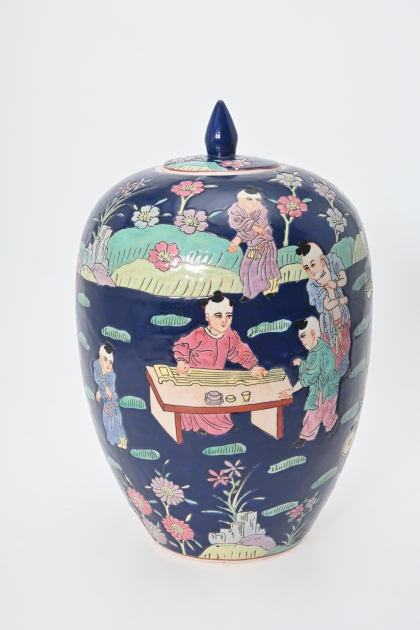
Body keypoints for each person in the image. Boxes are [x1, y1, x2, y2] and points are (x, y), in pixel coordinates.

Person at [173, 290, 266, 436]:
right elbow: (182, 345)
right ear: (207, 316)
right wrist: (181, 361)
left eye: (228, 316)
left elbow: (240, 351)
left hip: (216, 378)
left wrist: (253, 367)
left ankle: (221, 425)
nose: (224, 321)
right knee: (199, 402)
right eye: (218, 315)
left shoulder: (229, 335)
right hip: (195, 378)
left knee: (218, 400)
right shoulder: (199, 334)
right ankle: (198, 426)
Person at [279, 317, 340, 448]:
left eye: (303, 336)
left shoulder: (315, 353)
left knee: (314, 414)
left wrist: (292, 390)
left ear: (312, 333)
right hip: (332, 387)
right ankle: (331, 423)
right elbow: (316, 366)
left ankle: (306, 436)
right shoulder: (322, 346)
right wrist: (303, 363)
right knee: (327, 412)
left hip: (322, 391)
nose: (302, 341)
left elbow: (309, 376)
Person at [296, 240, 351, 376]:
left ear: (321, 260)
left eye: (313, 264)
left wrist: (335, 284)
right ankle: (333, 372)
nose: (311, 270)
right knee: (332, 345)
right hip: (329, 322)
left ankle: (344, 369)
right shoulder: (312, 286)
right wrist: (340, 300)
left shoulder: (332, 261)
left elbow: (344, 279)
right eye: (306, 268)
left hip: (342, 315)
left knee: (345, 340)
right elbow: (326, 305)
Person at [227, 186, 280, 301]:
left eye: (258, 200)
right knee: (246, 270)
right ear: (241, 200)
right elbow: (240, 226)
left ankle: (271, 290)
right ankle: (248, 293)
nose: (254, 202)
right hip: (252, 247)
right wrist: (251, 227)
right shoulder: (235, 212)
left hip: (264, 245)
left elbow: (259, 231)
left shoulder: (261, 213)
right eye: (249, 199)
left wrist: (238, 238)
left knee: (267, 269)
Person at [93, 343, 127, 449]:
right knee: (108, 422)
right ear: (100, 357)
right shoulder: (97, 367)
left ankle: (121, 441)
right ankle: (114, 440)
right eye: (105, 359)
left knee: (115, 422)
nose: (108, 364)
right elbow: (98, 379)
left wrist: (104, 390)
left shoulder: (111, 375)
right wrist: (102, 390)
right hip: (108, 403)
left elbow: (109, 391)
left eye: (110, 362)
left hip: (112, 402)